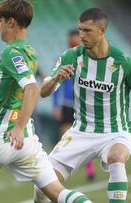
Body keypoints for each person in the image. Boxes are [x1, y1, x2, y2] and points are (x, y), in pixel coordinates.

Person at [0, 1, 92, 203]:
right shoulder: (29, 51)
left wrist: (18, 126)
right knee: (57, 191)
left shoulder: (11, 53)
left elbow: (32, 88)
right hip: (26, 142)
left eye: (0, 21)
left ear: (10, 22)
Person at [34, 7, 131, 203]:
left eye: (87, 31)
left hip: (115, 131)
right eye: (80, 30)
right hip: (81, 131)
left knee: (116, 157)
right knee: (43, 185)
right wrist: (55, 79)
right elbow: (43, 92)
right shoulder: (72, 56)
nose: (81, 35)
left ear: (102, 30)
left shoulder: (123, 63)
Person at [52, 30, 96, 182]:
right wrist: (55, 105)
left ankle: (90, 171)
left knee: (85, 139)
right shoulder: (65, 59)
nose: (73, 44)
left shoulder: (89, 61)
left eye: (76, 41)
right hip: (67, 105)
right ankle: (58, 171)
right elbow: (57, 83)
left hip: (82, 105)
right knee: (64, 138)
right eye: (71, 42)